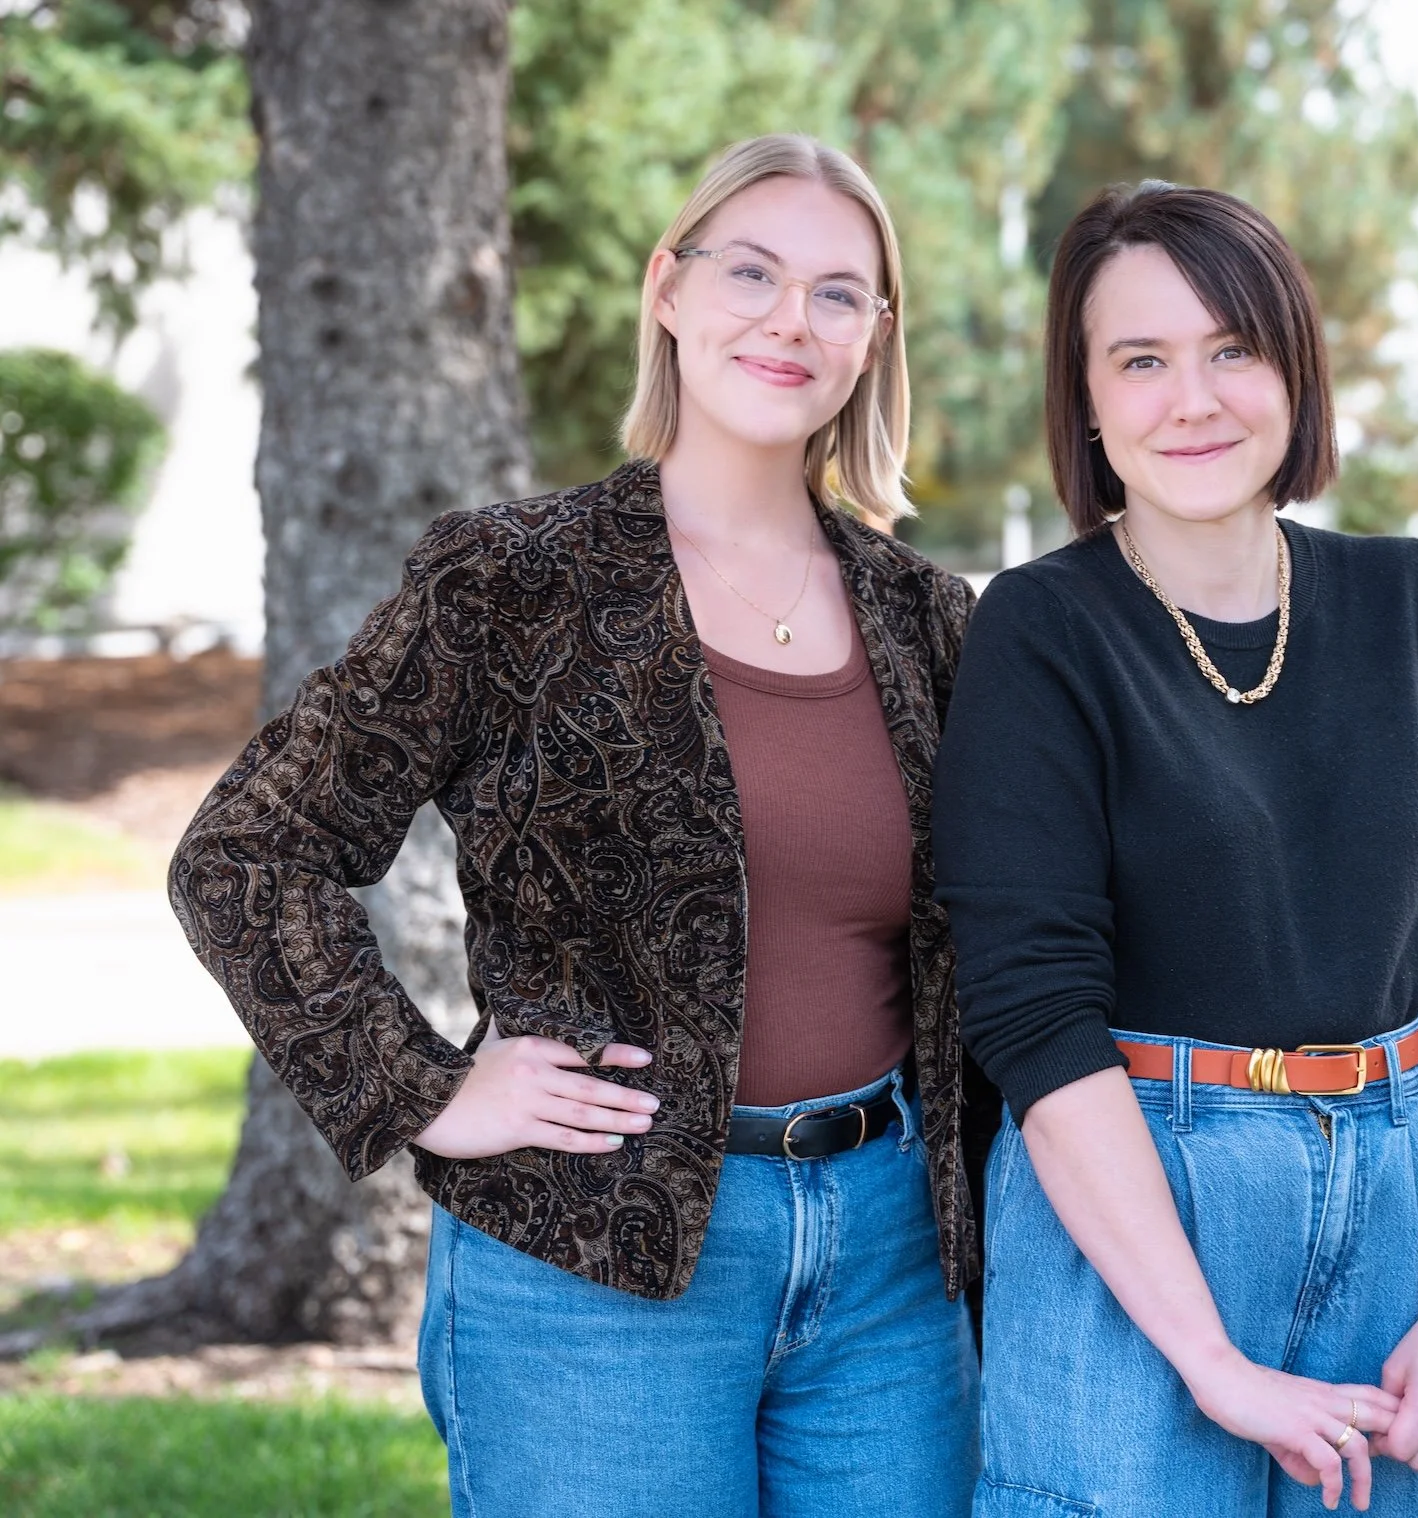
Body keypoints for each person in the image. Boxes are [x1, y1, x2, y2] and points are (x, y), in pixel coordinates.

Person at [170, 134, 986, 1518]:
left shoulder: (933, 621)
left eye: (839, 292)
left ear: (874, 341)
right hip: (592, 1262)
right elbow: (248, 851)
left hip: (890, 1269)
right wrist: (426, 1087)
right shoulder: (514, 581)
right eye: (751, 271)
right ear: (668, 289)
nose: (792, 319)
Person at [933, 181, 1418, 1516]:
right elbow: (1037, 1022)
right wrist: (1208, 1358)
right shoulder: (1039, 633)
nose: (1194, 398)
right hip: (1140, 1211)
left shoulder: (1414, 605)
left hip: (1400, 1200)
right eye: (1141, 360)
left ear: (1296, 366)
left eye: (1233, 348)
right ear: (1087, 401)